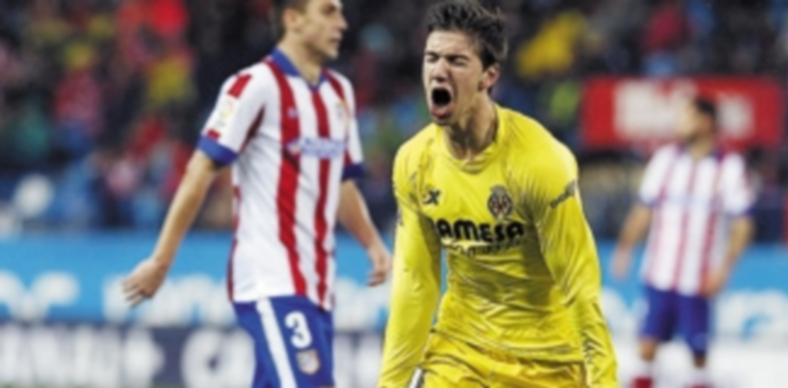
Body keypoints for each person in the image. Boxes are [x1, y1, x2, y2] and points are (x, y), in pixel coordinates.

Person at [121, 1, 392, 387]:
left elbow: (341, 181)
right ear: (293, 18)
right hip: (271, 279)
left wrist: (373, 246)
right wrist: (161, 262)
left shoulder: (339, 93)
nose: (342, 23)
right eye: (329, 12)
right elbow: (199, 170)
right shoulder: (254, 86)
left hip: (318, 284)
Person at [378, 1, 618, 387]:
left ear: (488, 75)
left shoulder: (540, 162)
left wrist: (604, 380)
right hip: (460, 351)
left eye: (456, 61)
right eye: (432, 58)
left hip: (547, 361)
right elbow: (416, 282)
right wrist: (390, 383)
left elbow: (580, 284)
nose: (438, 71)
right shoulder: (414, 162)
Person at [611, 97, 754, 388]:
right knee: (646, 347)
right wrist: (624, 249)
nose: (679, 124)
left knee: (698, 355)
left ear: (706, 122)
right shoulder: (665, 160)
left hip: (697, 277)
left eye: (686, 117)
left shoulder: (728, 166)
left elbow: (743, 224)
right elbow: (643, 211)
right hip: (659, 272)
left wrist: (724, 269)